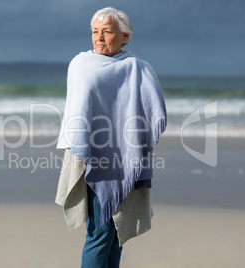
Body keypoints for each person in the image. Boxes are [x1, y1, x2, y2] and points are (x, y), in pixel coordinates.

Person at [55, 7, 167, 268]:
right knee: (100, 232)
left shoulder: (139, 68)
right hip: (92, 158)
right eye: (95, 32)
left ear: (125, 36)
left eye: (107, 32)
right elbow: (79, 113)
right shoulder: (81, 65)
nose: (99, 38)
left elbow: (152, 110)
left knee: (117, 233)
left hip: (126, 157)